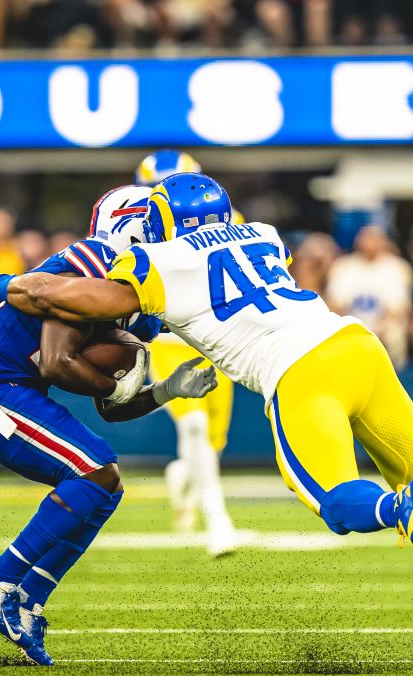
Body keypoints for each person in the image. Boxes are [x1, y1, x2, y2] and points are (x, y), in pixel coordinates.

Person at [6, 172, 413, 648]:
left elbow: (82, 297)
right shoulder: (263, 236)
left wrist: (29, 284)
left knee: (337, 503)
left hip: (299, 373)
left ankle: (400, 511)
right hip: (356, 346)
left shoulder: (161, 262)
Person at [0, 185, 218, 666]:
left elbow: (112, 407)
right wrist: (116, 384)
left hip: (13, 391)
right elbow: (55, 361)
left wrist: (167, 390)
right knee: (93, 470)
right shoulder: (94, 261)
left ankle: (28, 601)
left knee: (105, 483)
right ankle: (1, 575)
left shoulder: (141, 303)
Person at [135, 150, 239, 556]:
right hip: (170, 341)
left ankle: (182, 473)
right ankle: (219, 522)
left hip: (216, 340)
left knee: (210, 443)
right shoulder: (136, 233)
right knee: (193, 428)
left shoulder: (234, 223)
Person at [326, 224, 413, 367]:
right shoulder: (343, 266)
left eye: (375, 239)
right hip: (351, 328)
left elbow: (398, 309)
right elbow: (335, 306)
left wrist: (373, 333)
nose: (370, 244)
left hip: (383, 329)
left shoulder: (397, 267)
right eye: (366, 239)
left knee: (394, 331)